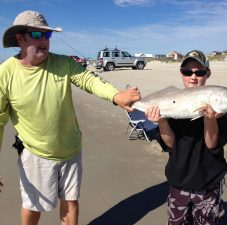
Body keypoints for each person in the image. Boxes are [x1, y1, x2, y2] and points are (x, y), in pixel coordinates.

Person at [0, 10, 140, 225]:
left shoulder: (63, 63)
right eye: (38, 35)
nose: (45, 40)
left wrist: (116, 95)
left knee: (71, 201)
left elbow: (88, 79)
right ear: (20, 38)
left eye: (48, 35)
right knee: (33, 206)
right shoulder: (5, 74)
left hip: (70, 149)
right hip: (35, 154)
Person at [146, 50, 227, 225]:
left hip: (208, 182)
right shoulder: (169, 104)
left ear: (208, 74)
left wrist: (210, 119)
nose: (193, 77)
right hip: (178, 181)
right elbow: (170, 144)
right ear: (181, 74)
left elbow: (212, 144)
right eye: (187, 72)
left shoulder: (224, 115)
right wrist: (161, 120)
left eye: (199, 72)